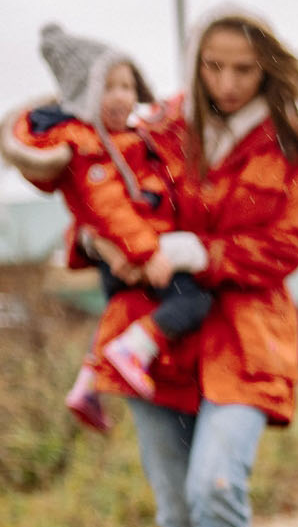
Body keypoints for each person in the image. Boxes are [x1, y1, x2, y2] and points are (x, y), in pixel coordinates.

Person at [79, 6, 298, 527]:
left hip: (247, 341)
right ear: (196, 65)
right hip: (154, 341)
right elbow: (100, 186)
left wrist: (200, 253)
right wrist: (99, 239)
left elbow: (287, 246)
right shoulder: (157, 126)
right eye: (214, 67)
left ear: (267, 69)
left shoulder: (288, 145)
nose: (227, 83)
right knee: (176, 513)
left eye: (244, 70)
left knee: (217, 486)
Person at [0, 24, 212, 432]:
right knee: (192, 302)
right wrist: (147, 254)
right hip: (137, 250)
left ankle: (88, 384)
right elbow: (110, 209)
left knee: (124, 312)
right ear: (84, 95)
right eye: (109, 87)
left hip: (135, 247)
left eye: (127, 85)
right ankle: (133, 352)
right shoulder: (90, 147)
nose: (122, 97)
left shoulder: (130, 138)